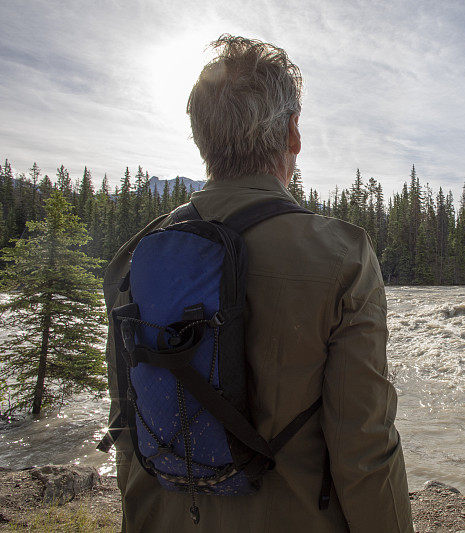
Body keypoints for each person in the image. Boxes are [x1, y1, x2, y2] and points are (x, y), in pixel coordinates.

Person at [103, 34, 413, 532]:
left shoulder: (134, 258)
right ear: (293, 132)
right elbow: (365, 448)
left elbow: (126, 430)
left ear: (202, 138)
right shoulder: (342, 257)